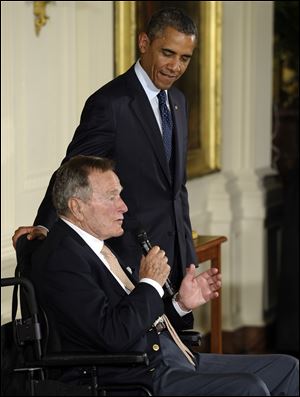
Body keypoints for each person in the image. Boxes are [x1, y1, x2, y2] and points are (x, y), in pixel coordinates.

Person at [31, 155, 299, 396]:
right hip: (133, 376)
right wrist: (149, 283)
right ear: (77, 207)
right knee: (249, 388)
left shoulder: (99, 246)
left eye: (120, 195)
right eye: (112, 197)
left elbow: (136, 318)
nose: (123, 206)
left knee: (287, 368)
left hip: (168, 356)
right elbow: (113, 335)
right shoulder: (62, 260)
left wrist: (180, 304)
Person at [12, 7, 199, 291]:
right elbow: (72, 171)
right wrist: (44, 228)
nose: (175, 66)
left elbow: (177, 189)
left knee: (177, 334)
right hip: (128, 258)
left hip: (173, 259)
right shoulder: (111, 103)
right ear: (145, 43)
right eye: (168, 53)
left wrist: (189, 259)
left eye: (184, 58)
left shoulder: (178, 101)